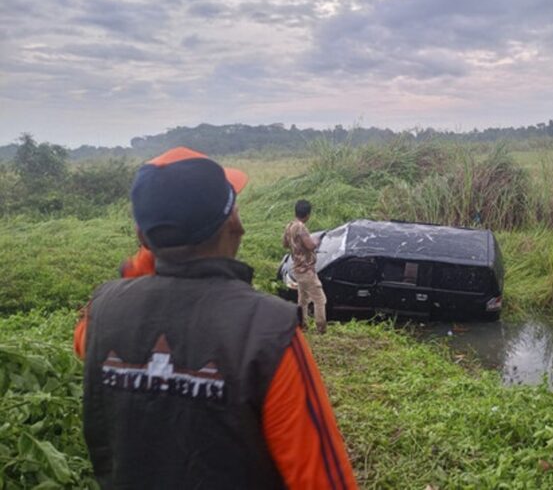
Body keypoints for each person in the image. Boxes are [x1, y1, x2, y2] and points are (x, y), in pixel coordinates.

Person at [73, 147, 357, 490]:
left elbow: (85, 343)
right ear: (234, 224)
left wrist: (154, 252)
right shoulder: (268, 333)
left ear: (141, 236)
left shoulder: (100, 316)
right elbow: (324, 482)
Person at [283, 200, 328, 334]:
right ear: (307, 214)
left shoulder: (290, 226)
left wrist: (296, 246)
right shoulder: (301, 228)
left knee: (303, 299)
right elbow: (310, 246)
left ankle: (302, 324)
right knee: (320, 299)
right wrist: (317, 241)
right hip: (306, 270)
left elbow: (285, 244)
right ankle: (321, 329)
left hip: (297, 268)